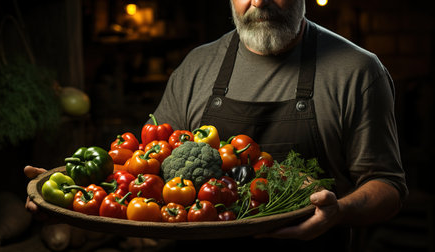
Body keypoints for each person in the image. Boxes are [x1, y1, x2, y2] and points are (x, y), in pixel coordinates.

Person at [26, 0, 408, 250]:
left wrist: (339, 211)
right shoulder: (197, 66)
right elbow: (143, 172)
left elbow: (388, 186)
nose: (258, 2)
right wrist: (66, 197)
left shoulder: (357, 71)